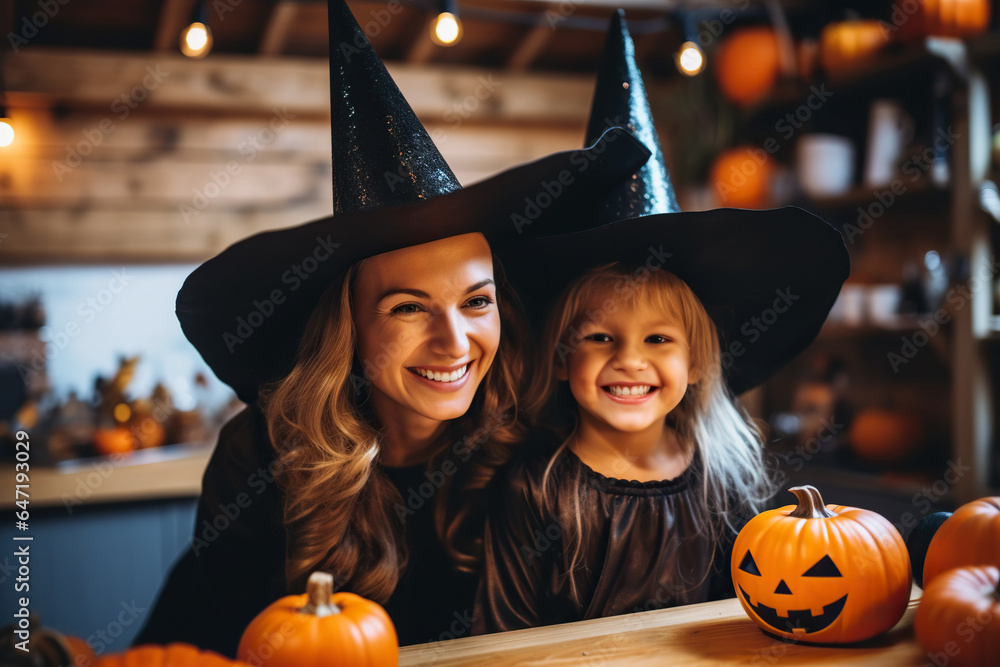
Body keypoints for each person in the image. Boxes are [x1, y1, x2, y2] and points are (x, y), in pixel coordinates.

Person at [132, 0, 651, 655]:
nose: (454, 342)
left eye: (476, 302)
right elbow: (216, 642)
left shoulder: (536, 430)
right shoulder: (262, 454)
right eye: (409, 307)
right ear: (348, 326)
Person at [472, 11, 851, 632]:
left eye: (658, 339)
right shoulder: (535, 490)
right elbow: (501, 640)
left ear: (696, 362)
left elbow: (754, 614)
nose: (630, 359)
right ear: (561, 359)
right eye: (600, 337)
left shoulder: (724, 482)